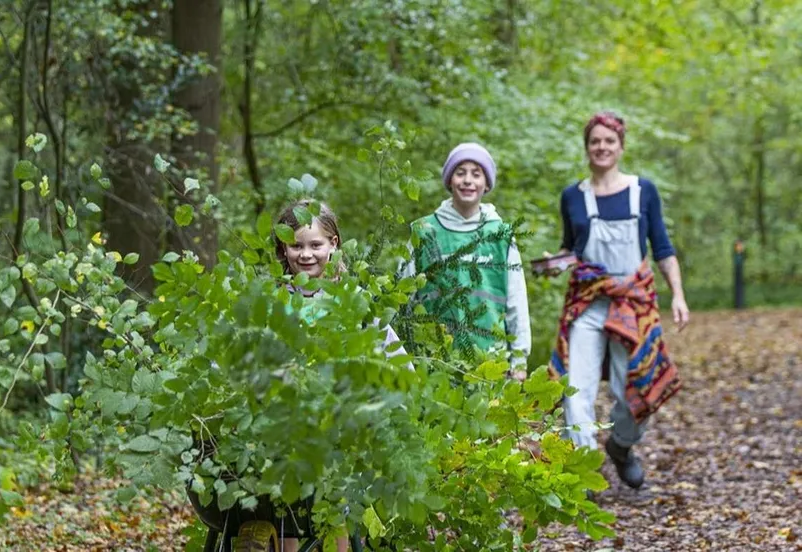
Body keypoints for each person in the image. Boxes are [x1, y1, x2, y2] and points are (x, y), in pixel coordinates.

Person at [547, 112, 689, 490]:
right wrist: (555, 263)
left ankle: (621, 446)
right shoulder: (572, 196)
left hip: (634, 306)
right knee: (575, 391)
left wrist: (677, 294)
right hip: (587, 306)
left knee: (635, 388)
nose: (602, 147)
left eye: (609, 141)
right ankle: (583, 475)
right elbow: (570, 248)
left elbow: (661, 247)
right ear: (586, 147)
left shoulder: (644, 191)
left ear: (621, 146)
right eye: (595, 141)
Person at [273, 199, 407, 551]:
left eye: (315, 244)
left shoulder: (354, 301)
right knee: (287, 504)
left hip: (340, 428)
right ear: (282, 247)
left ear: (333, 244)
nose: (306, 254)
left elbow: (394, 356)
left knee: (333, 502)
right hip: (285, 427)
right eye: (296, 245)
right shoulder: (273, 300)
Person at [403, 143, 531, 370]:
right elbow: (404, 297)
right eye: (460, 173)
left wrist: (518, 360)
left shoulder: (500, 235)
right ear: (450, 180)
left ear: (486, 183)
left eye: (476, 174)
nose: (468, 180)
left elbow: (516, 300)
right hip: (433, 357)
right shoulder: (424, 231)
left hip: (490, 358)